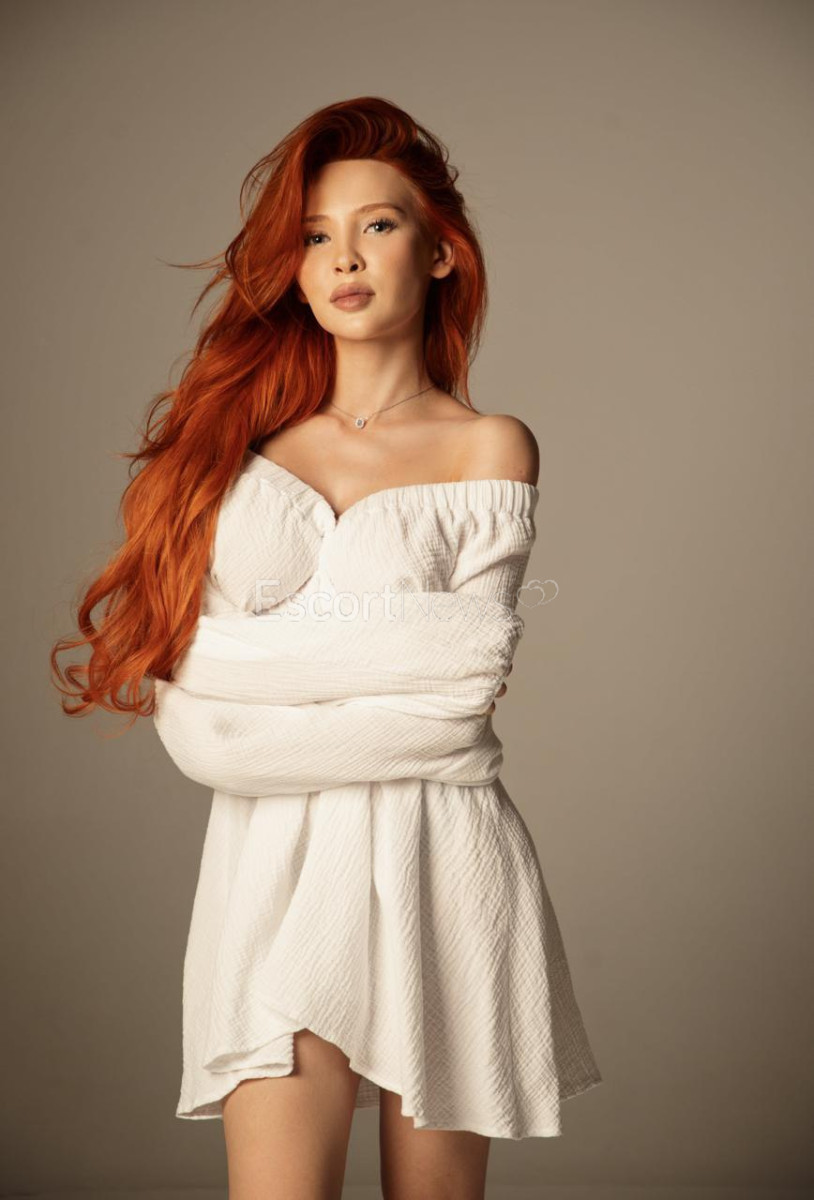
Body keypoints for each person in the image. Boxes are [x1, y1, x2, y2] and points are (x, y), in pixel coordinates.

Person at [51, 96, 602, 1200]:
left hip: (445, 863)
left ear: (440, 252)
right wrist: (396, 663)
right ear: (294, 270)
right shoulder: (229, 452)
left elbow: (460, 699)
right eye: (314, 235)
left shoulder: (488, 448)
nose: (342, 256)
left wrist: (256, 672)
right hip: (271, 876)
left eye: (377, 225)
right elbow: (202, 728)